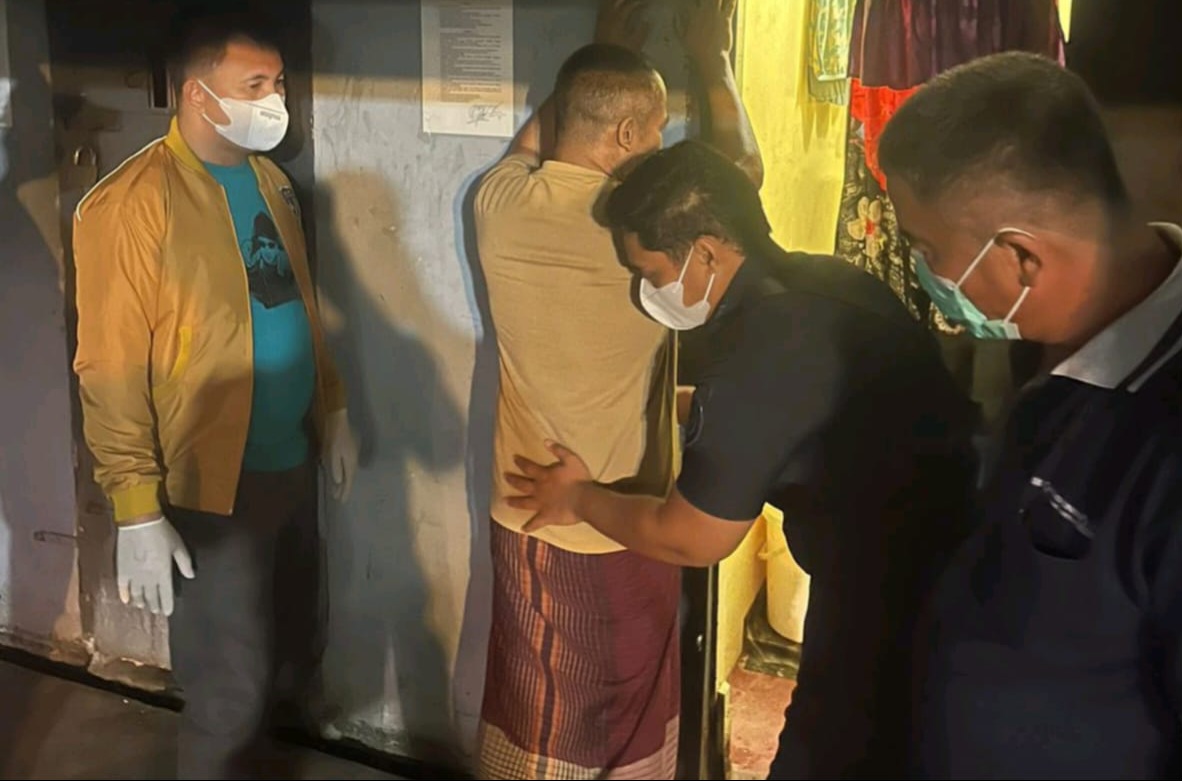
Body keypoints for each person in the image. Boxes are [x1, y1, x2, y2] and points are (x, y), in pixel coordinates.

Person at [505, 139, 979, 779]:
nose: (647, 292)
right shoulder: (830, 283)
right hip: (955, 558)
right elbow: (785, 412)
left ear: (705, 252)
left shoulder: (758, 355)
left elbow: (692, 537)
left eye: (650, 273)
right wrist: (669, 406)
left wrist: (577, 497)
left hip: (897, 605)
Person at [472, 0, 761, 777]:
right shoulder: (645, 234)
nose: (660, 143)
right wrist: (714, 59)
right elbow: (744, 179)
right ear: (630, 135)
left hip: (526, 511)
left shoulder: (496, 204)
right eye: (655, 130)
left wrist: (599, 52)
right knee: (618, 730)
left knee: (538, 719)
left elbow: (540, 138)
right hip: (616, 512)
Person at [876, 51, 1182, 779]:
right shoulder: (1053, 349)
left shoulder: (1163, 442)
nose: (928, 275)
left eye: (929, 249)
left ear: (1020, 258)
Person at [71, 11, 357, 779]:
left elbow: (298, 303)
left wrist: (330, 405)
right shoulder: (131, 203)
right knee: (229, 688)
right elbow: (109, 365)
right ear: (199, 95)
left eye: (279, 84)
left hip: (288, 460)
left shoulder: (271, 182)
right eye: (255, 86)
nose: (276, 102)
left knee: (290, 652)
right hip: (210, 483)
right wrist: (136, 505)